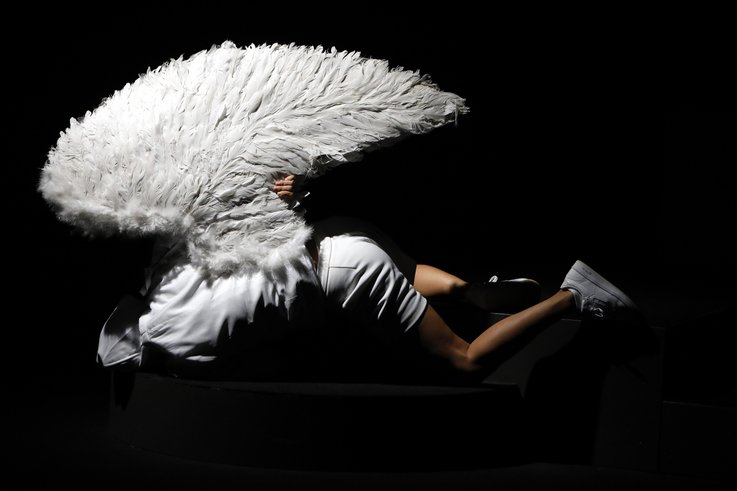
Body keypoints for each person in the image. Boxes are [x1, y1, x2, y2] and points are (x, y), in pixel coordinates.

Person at [97, 175, 641, 385]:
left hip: (343, 275)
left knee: (465, 362)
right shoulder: (163, 269)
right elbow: (211, 208)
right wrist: (285, 190)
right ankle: (468, 290)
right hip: (331, 231)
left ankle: (574, 295)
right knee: (404, 269)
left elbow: (273, 365)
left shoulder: (184, 358)